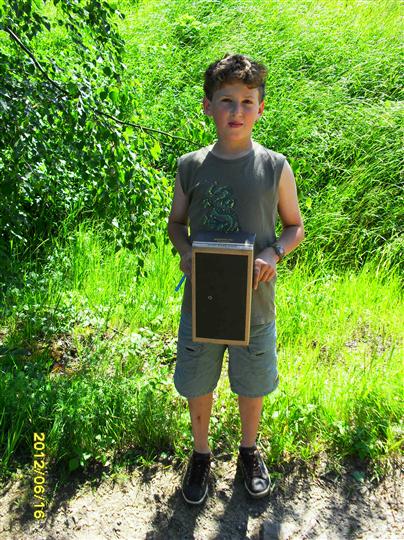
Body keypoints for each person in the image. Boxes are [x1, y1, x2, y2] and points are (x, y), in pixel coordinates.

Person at [167, 53, 304, 505]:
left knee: (251, 383)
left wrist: (273, 252)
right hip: (202, 306)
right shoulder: (191, 166)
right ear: (208, 106)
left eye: (247, 102)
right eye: (226, 100)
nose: (237, 111)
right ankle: (201, 454)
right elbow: (176, 224)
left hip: (255, 306)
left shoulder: (274, 166)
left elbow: (294, 227)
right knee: (198, 382)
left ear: (260, 109)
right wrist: (187, 252)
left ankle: (248, 451)